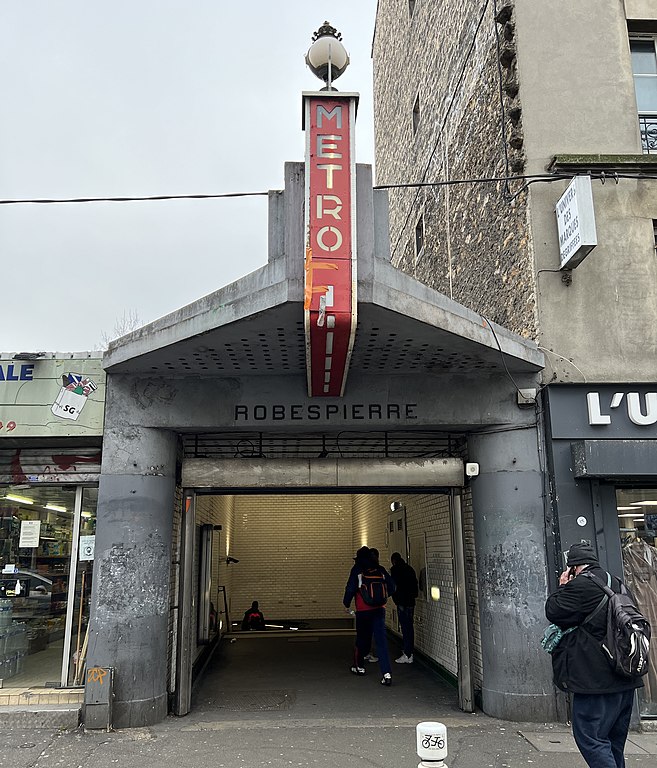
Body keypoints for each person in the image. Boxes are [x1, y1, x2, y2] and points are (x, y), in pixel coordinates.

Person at [545, 542, 644, 768]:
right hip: (625, 677)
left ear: (573, 567)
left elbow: (553, 611)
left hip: (596, 681)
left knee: (591, 738)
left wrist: (562, 586)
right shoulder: (618, 583)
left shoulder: (580, 586)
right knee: (613, 742)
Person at [343, 546, 396, 686]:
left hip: (363, 610)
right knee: (381, 641)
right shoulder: (380, 569)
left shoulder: (357, 570)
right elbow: (392, 587)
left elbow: (350, 588)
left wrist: (346, 604)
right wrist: (382, 598)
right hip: (379, 610)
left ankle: (359, 667)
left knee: (362, 638)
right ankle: (387, 674)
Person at [390, 552, 419, 664]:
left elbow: (393, 587)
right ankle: (409, 652)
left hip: (402, 602)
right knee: (409, 627)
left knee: (405, 627)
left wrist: (396, 600)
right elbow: (415, 585)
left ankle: (407, 654)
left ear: (393, 560)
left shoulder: (395, 570)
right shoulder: (409, 569)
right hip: (411, 602)